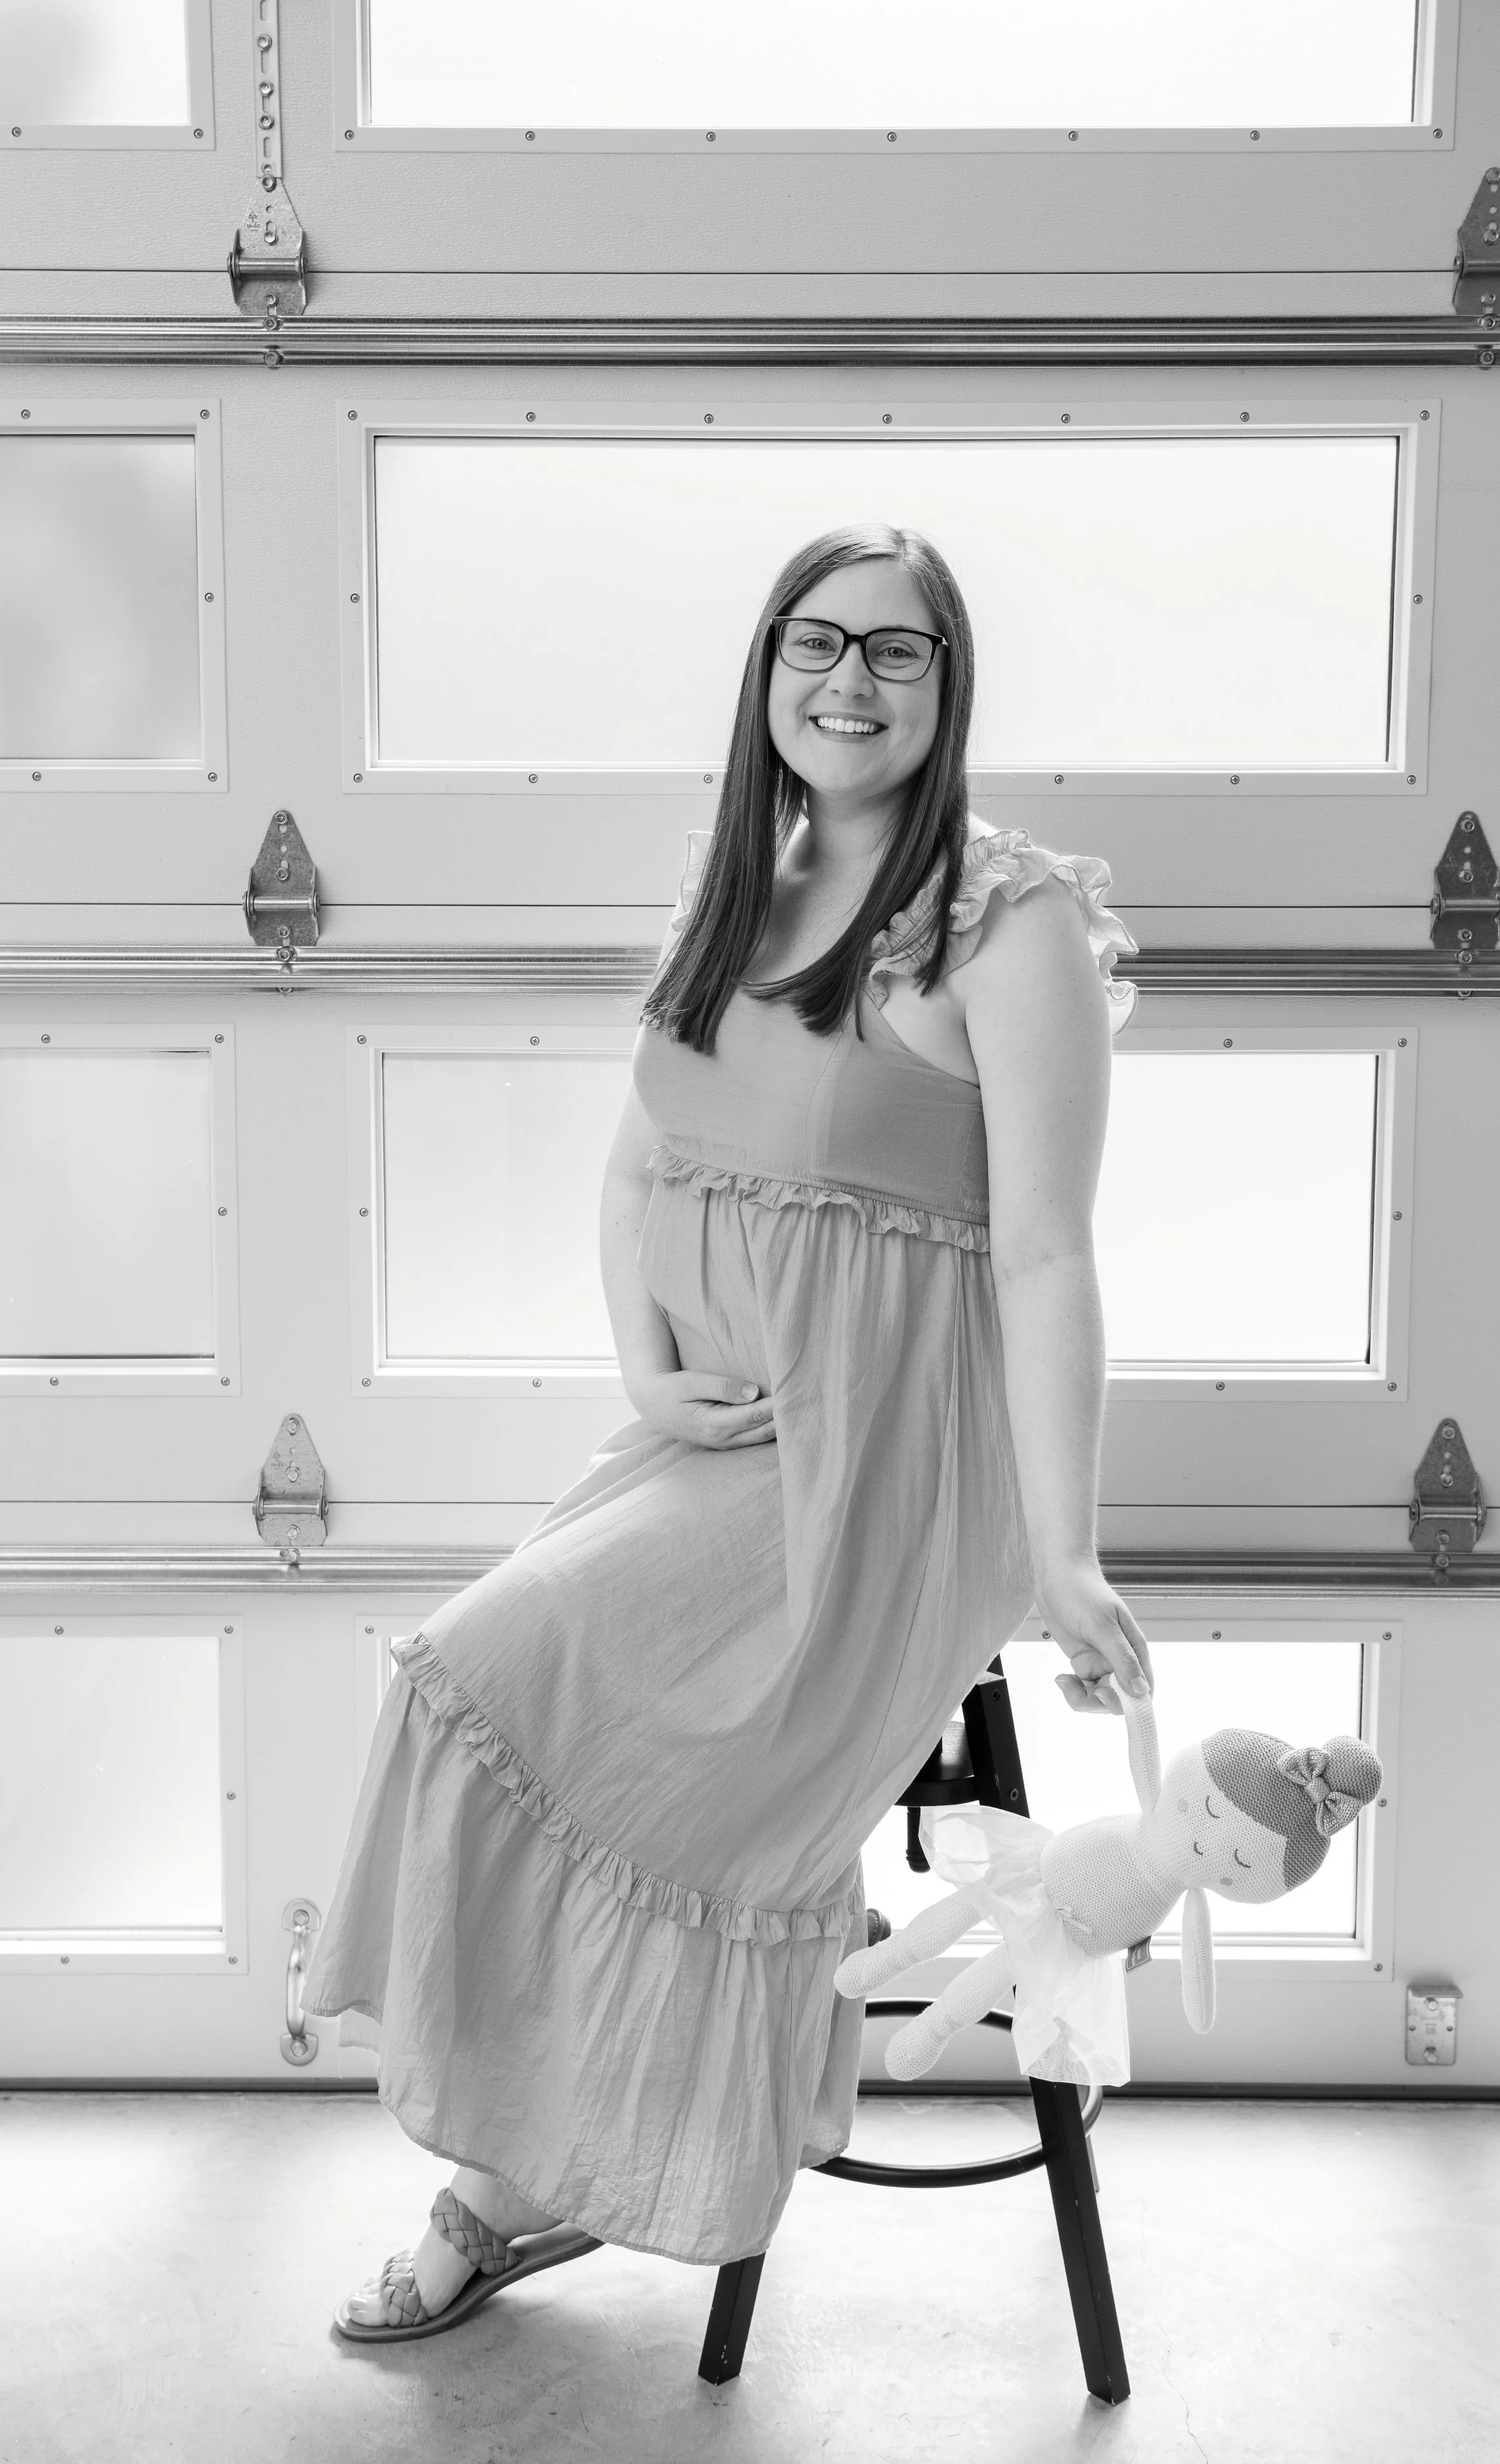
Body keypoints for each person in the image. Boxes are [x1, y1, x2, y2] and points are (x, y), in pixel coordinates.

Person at [308, 520, 1154, 2339]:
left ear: (948, 687)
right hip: (718, 1442)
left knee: (508, 1669)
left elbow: (1049, 1254)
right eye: (815, 642)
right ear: (768, 671)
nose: (850, 680)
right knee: (475, 1682)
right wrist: (644, 1366)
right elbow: (641, 1162)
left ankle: (506, 2193)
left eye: (897, 649)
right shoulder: (746, 890)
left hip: (889, 1475)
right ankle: (537, 2168)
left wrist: (1068, 1553)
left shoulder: (1006, 922)